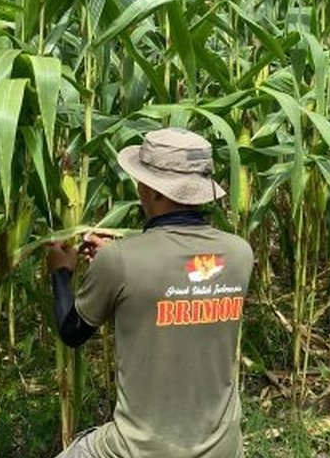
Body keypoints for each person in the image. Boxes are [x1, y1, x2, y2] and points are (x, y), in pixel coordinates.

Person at [47, 128, 254, 458]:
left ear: (155, 191)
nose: (139, 188)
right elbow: (182, 281)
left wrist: (61, 272)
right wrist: (122, 258)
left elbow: (72, 332)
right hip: (224, 448)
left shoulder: (121, 260)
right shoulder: (241, 253)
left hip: (141, 449)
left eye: (141, 181)